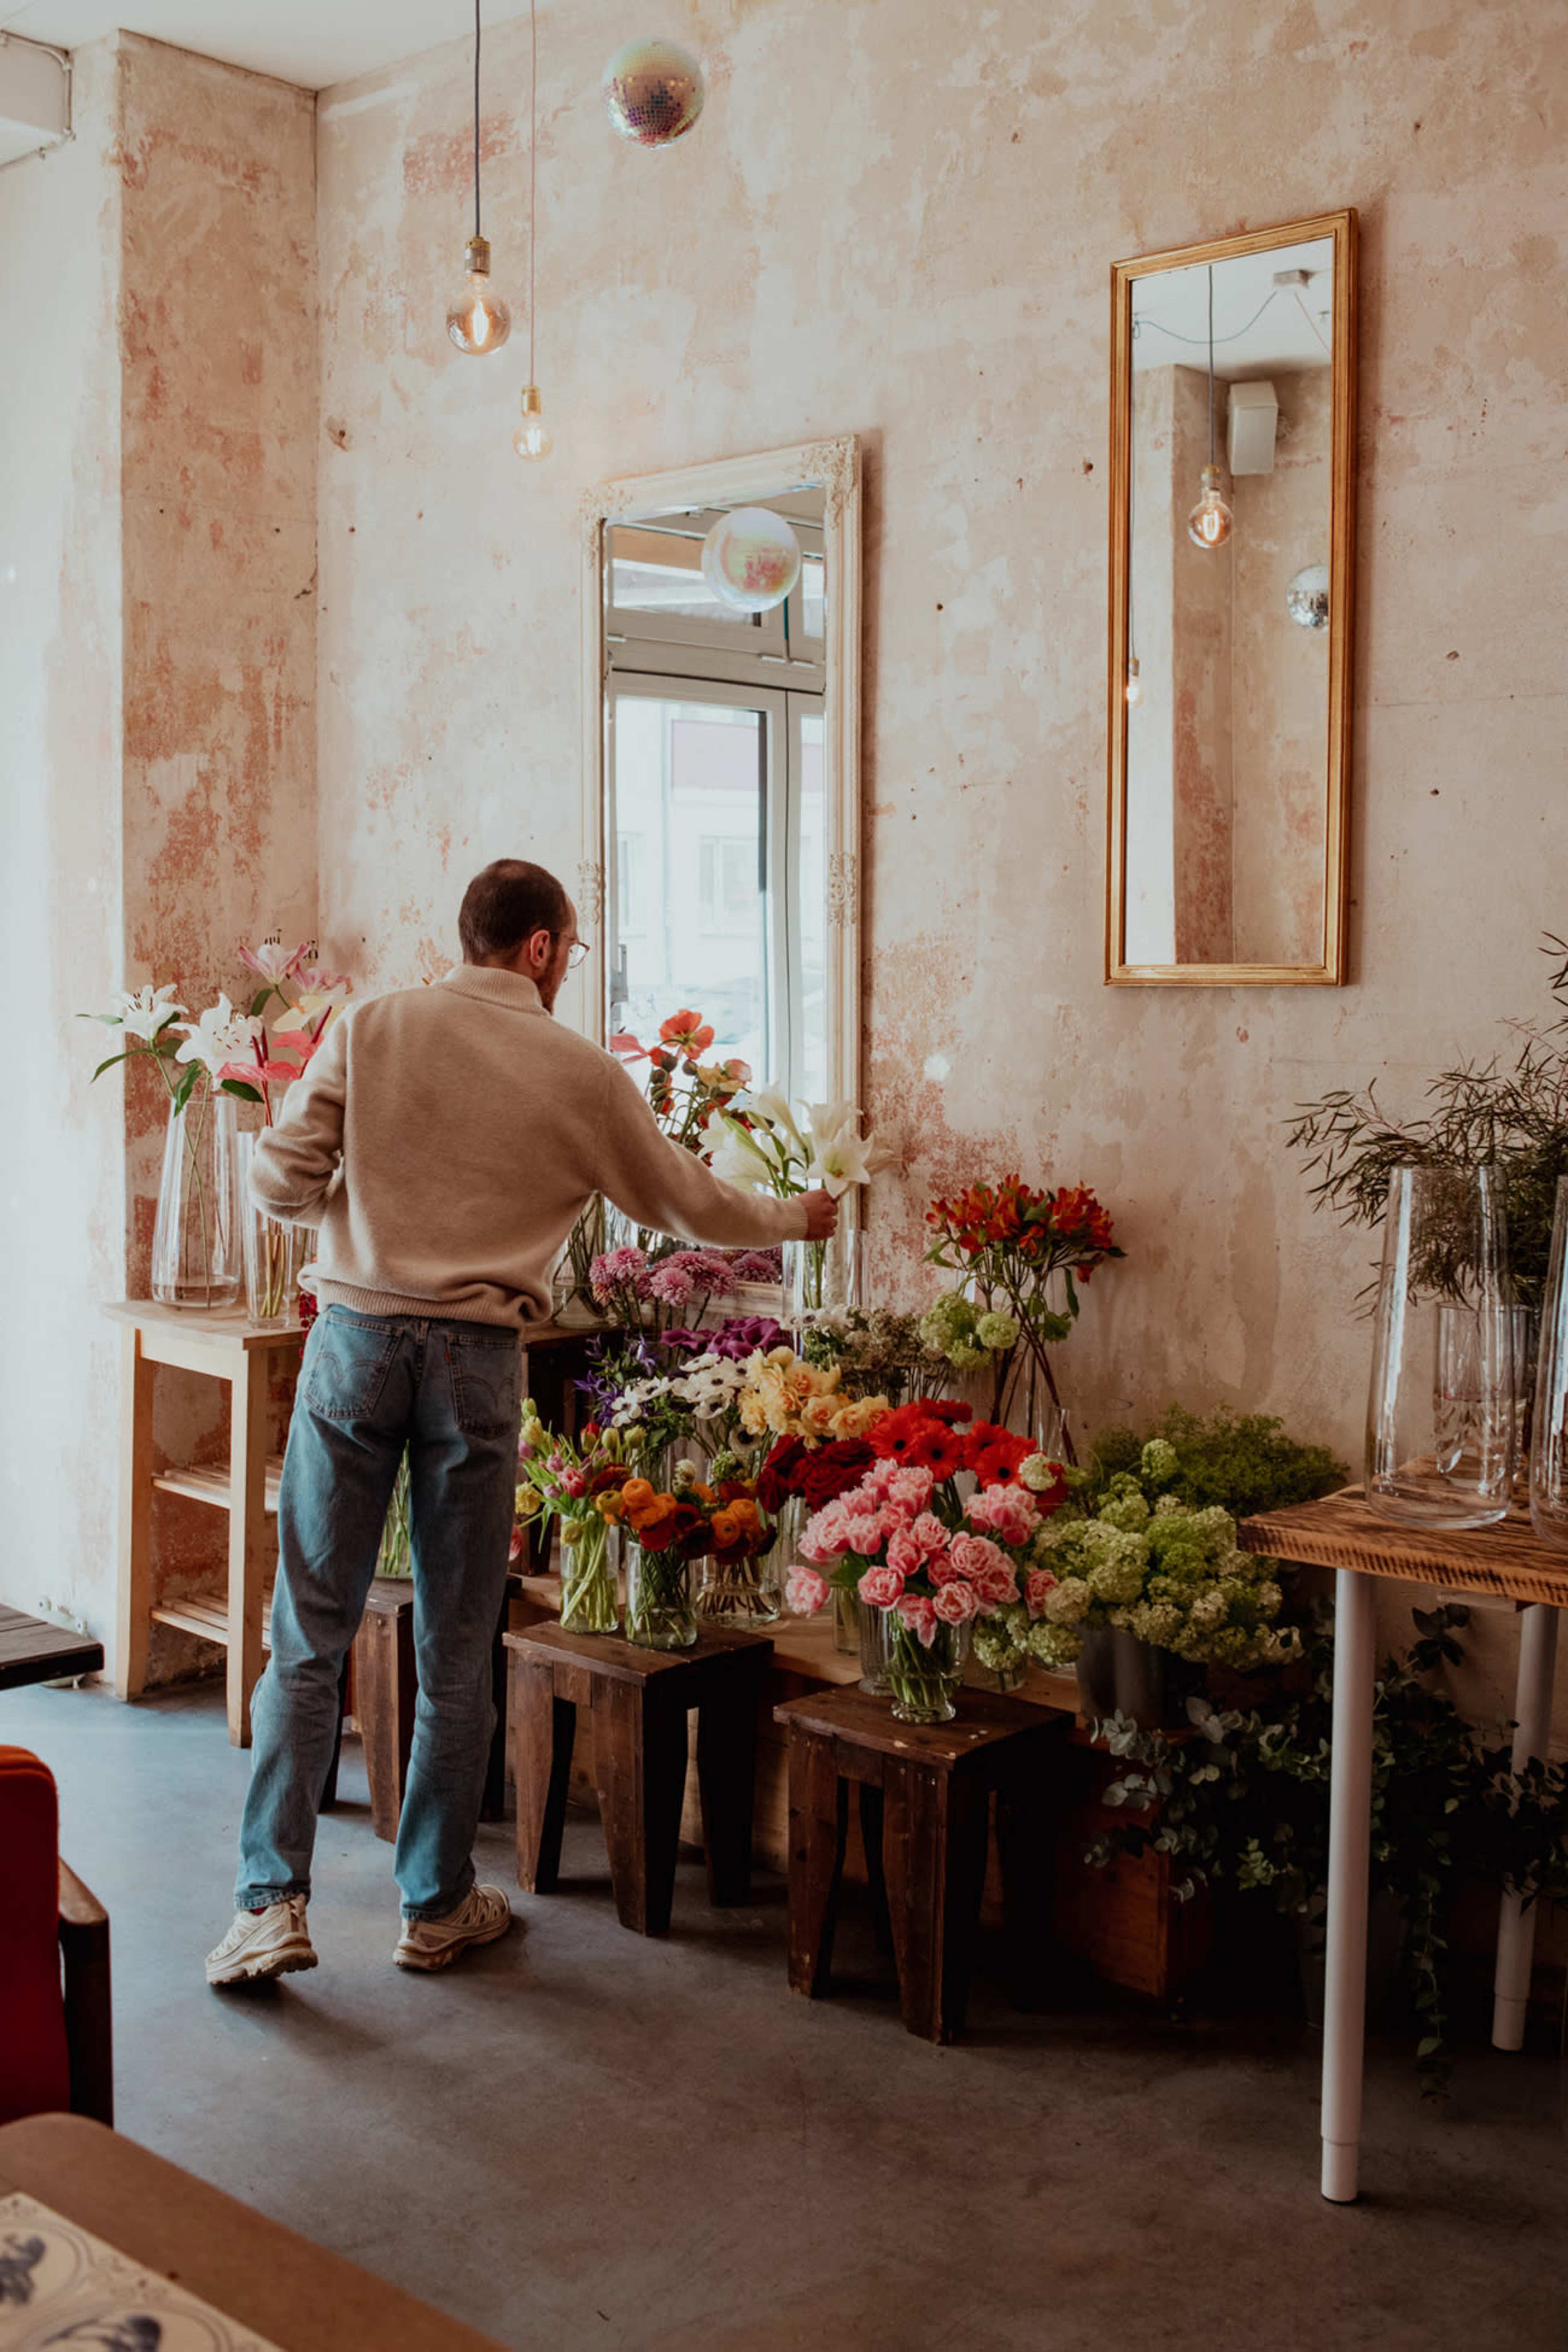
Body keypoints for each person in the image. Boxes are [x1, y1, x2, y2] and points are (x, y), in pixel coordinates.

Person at [206, 858, 837, 1987]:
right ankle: (436, 1907)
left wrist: (344, 1219)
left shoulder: (372, 1027)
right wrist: (801, 1213)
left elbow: (280, 1179)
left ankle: (270, 1904)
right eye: (572, 949)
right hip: (476, 1363)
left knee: (308, 1633)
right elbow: (687, 1198)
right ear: (542, 947)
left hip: (353, 1340)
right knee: (458, 1649)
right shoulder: (580, 1073)